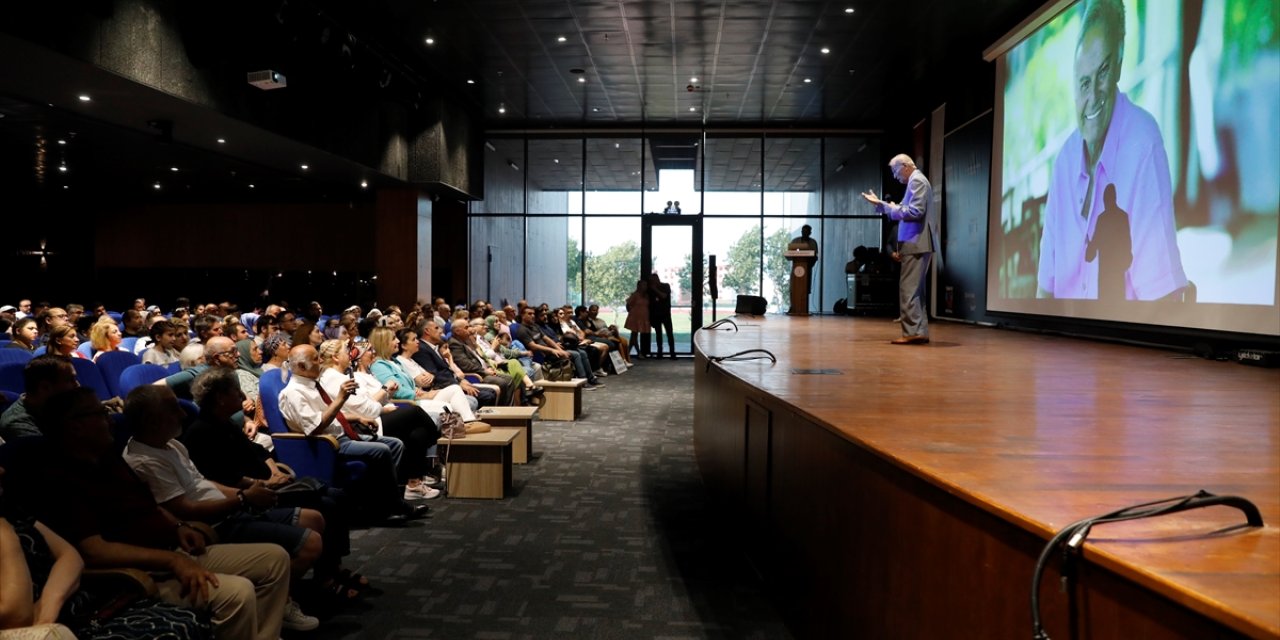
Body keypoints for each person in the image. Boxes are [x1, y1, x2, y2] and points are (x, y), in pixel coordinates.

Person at [1036, 0, 1188, 301]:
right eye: (1083, 83)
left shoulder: (1143, 143)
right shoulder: (1065, 160)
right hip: (1065, 342)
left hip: (1120, 340)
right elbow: (1045, 289)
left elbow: (1162, 298)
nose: (1092, 95)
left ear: (1119, 62)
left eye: (1103, 72)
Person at [861, 153, 939, 344]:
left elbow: (915, 211)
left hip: (916, 241)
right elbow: (907, 209)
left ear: (905, 166)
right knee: (915, 290)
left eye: (896, 171)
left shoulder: (917, 181)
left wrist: (884, 205)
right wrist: (886, 206)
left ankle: (913, 332)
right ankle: (918, 331)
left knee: (908, 289)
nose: (895, 176)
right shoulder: (917, 181)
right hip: (917, 241)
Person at [647, 273, 675, 358]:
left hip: (666, 314)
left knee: (669, 333)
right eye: (651, 280)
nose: (652, 282)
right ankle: (660, 353)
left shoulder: (665, 286)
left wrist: (654, 289)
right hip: (656, 315)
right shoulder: (650, 290)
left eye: (653, 280)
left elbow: (663, 296)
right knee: (658, 335)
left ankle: (672, 353)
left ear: (657, 279)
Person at [624, 279, 651, 359]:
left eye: (646, 285)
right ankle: (638, 353)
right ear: (639, 286)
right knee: (634, 335)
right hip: (635, 317)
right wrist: (631, 312)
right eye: (643, 285)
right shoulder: (635, 294)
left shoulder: (646, 295)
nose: (645, 287)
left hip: (643, 317)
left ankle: (627, 353)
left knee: (634, 336)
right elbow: (628, 304)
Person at [789, 225, 819, 295]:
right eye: (803, 231)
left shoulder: (813, 242)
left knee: (805, 291)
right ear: (801, 232)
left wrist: (810, 264)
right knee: (794, 290)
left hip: (807, 269)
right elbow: (789, 255)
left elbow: (815, 256)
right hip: (796, 269)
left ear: (810, 233)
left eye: (806, 232)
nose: (804, 233)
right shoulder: (795, 241)